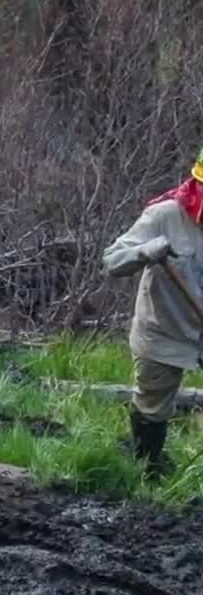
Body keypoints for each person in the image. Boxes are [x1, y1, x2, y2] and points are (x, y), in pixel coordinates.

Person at [100, 149, 203, 479]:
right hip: (164, 331)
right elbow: (112, 261)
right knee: (153, 406)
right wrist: (145, 251)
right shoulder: (164, 215)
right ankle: (146, 469)